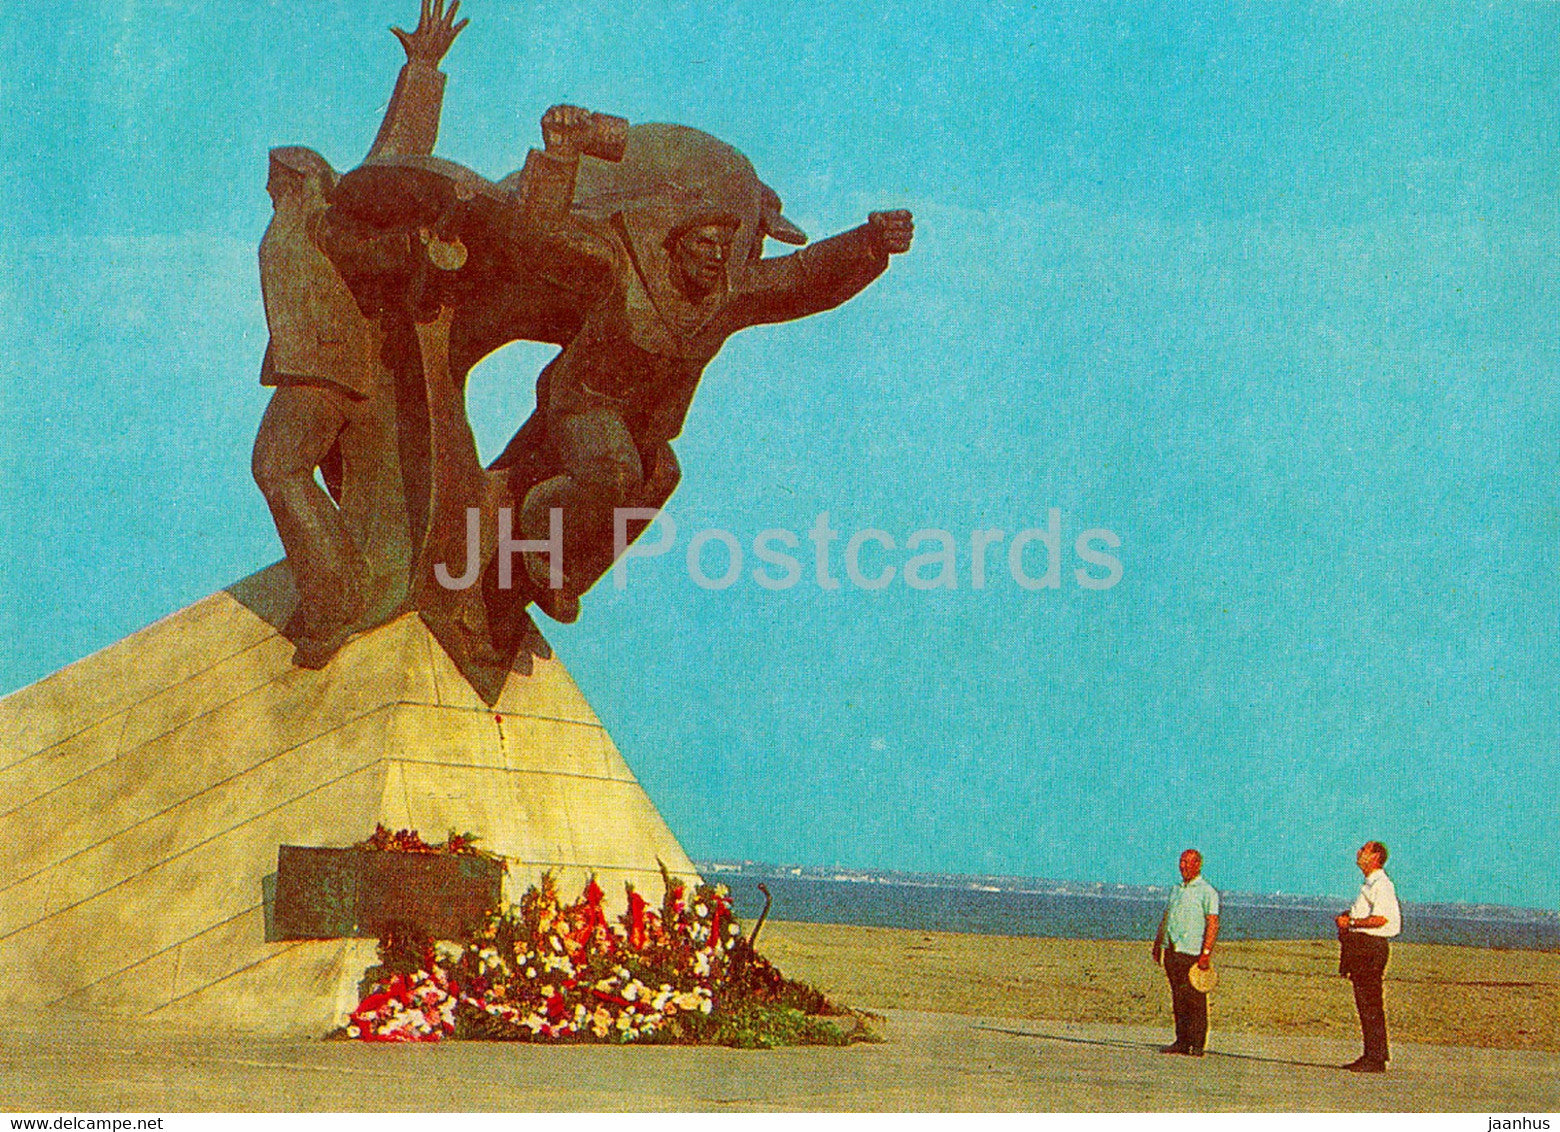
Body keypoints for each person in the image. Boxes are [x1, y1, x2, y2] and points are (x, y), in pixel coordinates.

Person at [1335, 840, 1401, 1073]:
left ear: (1375, 857)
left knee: (1370, 1003)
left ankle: (1375, 1057)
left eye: (1364, 850)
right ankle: (1372, 1054)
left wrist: (1351, 922)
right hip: (1361, 946)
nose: (1358, 852)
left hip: (1370, 948)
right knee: (1366, 1003)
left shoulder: (1382, 885)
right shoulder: (1370, 884)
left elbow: (1381, 919)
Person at [1151, 848, 1220, 1056]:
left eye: (1187, 862)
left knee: (1195, 999)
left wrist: (1206, 953)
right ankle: (1181, 1041)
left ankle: (1197, 1043)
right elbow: (1167, 917)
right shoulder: (1176, 889)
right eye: (1181, 862)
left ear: (1198, 864)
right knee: (1178, 997)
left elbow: (1213, 923)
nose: (1183, 866)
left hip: (1193, 952)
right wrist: (1158, 945)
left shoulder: (1207, 891)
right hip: (1173, 949)